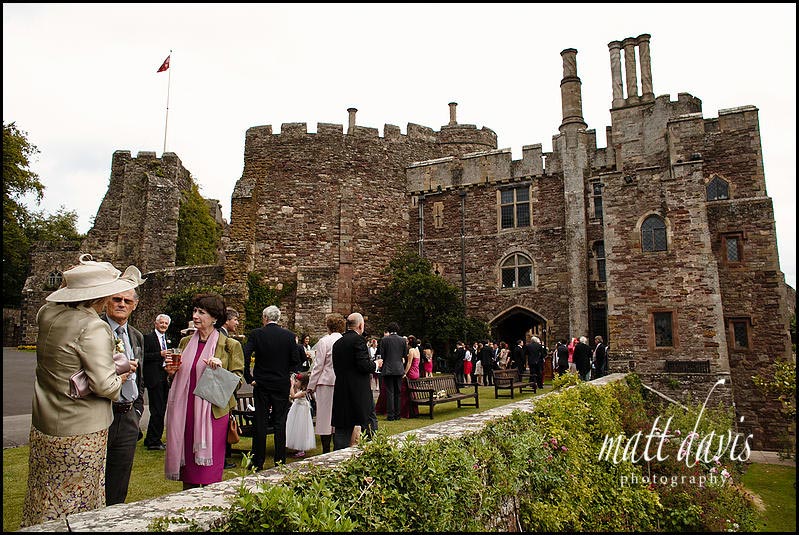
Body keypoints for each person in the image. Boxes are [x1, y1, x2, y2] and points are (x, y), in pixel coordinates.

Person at [21, 255, 142, 527]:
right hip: (81, 432)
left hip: (45, 422)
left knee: (44, 495)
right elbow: (105, 386)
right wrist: (121, 375)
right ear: (101, 296)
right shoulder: (93, 326)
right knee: (77, 502)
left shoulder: (47, 313)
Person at [164, 293, 244, 488]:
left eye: (201, 312)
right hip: (185, 411)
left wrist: (220, 371)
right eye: (195, 311)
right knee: (189, 468)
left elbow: (238, 381)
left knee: (209, 472)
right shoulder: (185, 342)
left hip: (212, 414)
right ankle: (188, 497)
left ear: (214, 318)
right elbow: (178, 378)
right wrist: (171, 373)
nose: (195, 316)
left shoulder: (230, 345)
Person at [102, 285, 147, 506]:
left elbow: (140, 378)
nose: (122, 304)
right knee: (93, 479)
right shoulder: (96, 329)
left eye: (127, 301)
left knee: (119, 483)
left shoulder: (136, 336)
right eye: (117, 299)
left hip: (128, 415)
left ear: (135, 305)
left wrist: (137, 410)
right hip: (102, 412)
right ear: (106, 301)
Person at [242, 305, 301, 470]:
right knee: (280, 422)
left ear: (265, 318)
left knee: (260, 422)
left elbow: (245, 355)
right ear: (278, 318)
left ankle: (257, 461)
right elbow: (296, 360)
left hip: (262, 383)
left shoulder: (257, 334)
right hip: (280, 384)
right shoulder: (289, 336)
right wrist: (288, 374)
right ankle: (280, 460)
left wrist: (249, 377)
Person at [331, 312, 383, 450]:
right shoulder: (358, 340)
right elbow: (364, 365)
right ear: (360, 325)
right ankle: (373, 449)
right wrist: (376, 364)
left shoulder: (338, 343)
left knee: (343, 427)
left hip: (341, 389)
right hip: (359, 391)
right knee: (367, 422)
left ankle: (338, 454)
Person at [307, 313, 345, 453]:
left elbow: (318, 366)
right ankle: (338, 447)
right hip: (341, 382)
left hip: (326, 382)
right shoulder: (344, 340)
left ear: (329, 326)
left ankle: (326, 449)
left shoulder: (324, 341)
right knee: (339, 416)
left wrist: (311, 386)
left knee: (325, 419)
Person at [143, 313, 173, 451]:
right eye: (161, 323)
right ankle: (153, 442)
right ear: (156, 323)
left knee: (161, 409)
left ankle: (152, 438)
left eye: (166, 323)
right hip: (154, 378)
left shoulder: (168, 339)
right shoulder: (148, 338)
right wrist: (159, 354)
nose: (163, 325)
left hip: (164, 378)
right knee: (157, 410)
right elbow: (143, 356)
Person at [219, 306, 240, 469]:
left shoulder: (226, 337)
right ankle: (223, 458)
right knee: (223, 427)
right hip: (221, 392)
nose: (237, 323)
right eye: (235, 320)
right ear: (226, 321)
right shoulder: (224, 340)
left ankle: (224, 456)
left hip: (223, 390)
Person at [377, 322, 407, 421]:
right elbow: (404, 355)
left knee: (390, 392)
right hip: (399, 368)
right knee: (398, 392)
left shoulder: (384, 340)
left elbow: (382, 355)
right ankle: (398, 415)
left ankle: (390, 415)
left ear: (389, 330)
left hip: (388, 368)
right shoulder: (402, 340)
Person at [285, 372, 316, 458]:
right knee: (295, 427)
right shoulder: (299, 390)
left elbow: (293, 396)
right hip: (296, 409)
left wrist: (291, 386)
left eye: (297, 381)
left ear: (303, 383)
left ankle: (301, 449)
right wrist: (294, 386)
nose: (295, 383)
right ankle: (297, 446)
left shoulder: (304, 392)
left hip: (301, 411)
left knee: (300, 428)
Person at [399, 335, 420, 419]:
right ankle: (414, 411)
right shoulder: (417, 350)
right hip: (416, 372)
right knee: (413, 392)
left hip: (411, 372)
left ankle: (406, 412)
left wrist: (404, 373)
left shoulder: (411, 350)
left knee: (405, 393)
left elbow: (409, 363)